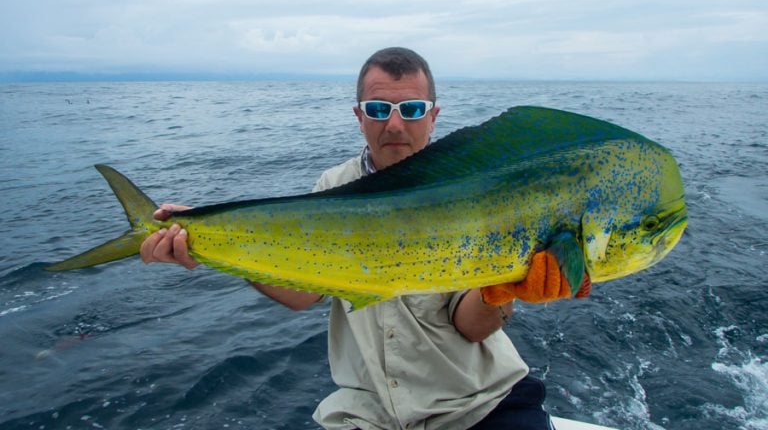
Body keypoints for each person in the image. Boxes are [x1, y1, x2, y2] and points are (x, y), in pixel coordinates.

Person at [140, 47, 585, 430]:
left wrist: (504, 288)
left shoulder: (476, 190)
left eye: (411, 110)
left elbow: (469, 327)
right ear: (358, 117)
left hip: (480, 404)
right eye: (378, 109)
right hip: (370, 413)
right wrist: (202, 241)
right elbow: (301, 296)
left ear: (433, 116)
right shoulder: (333, 188)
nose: (394, 125)